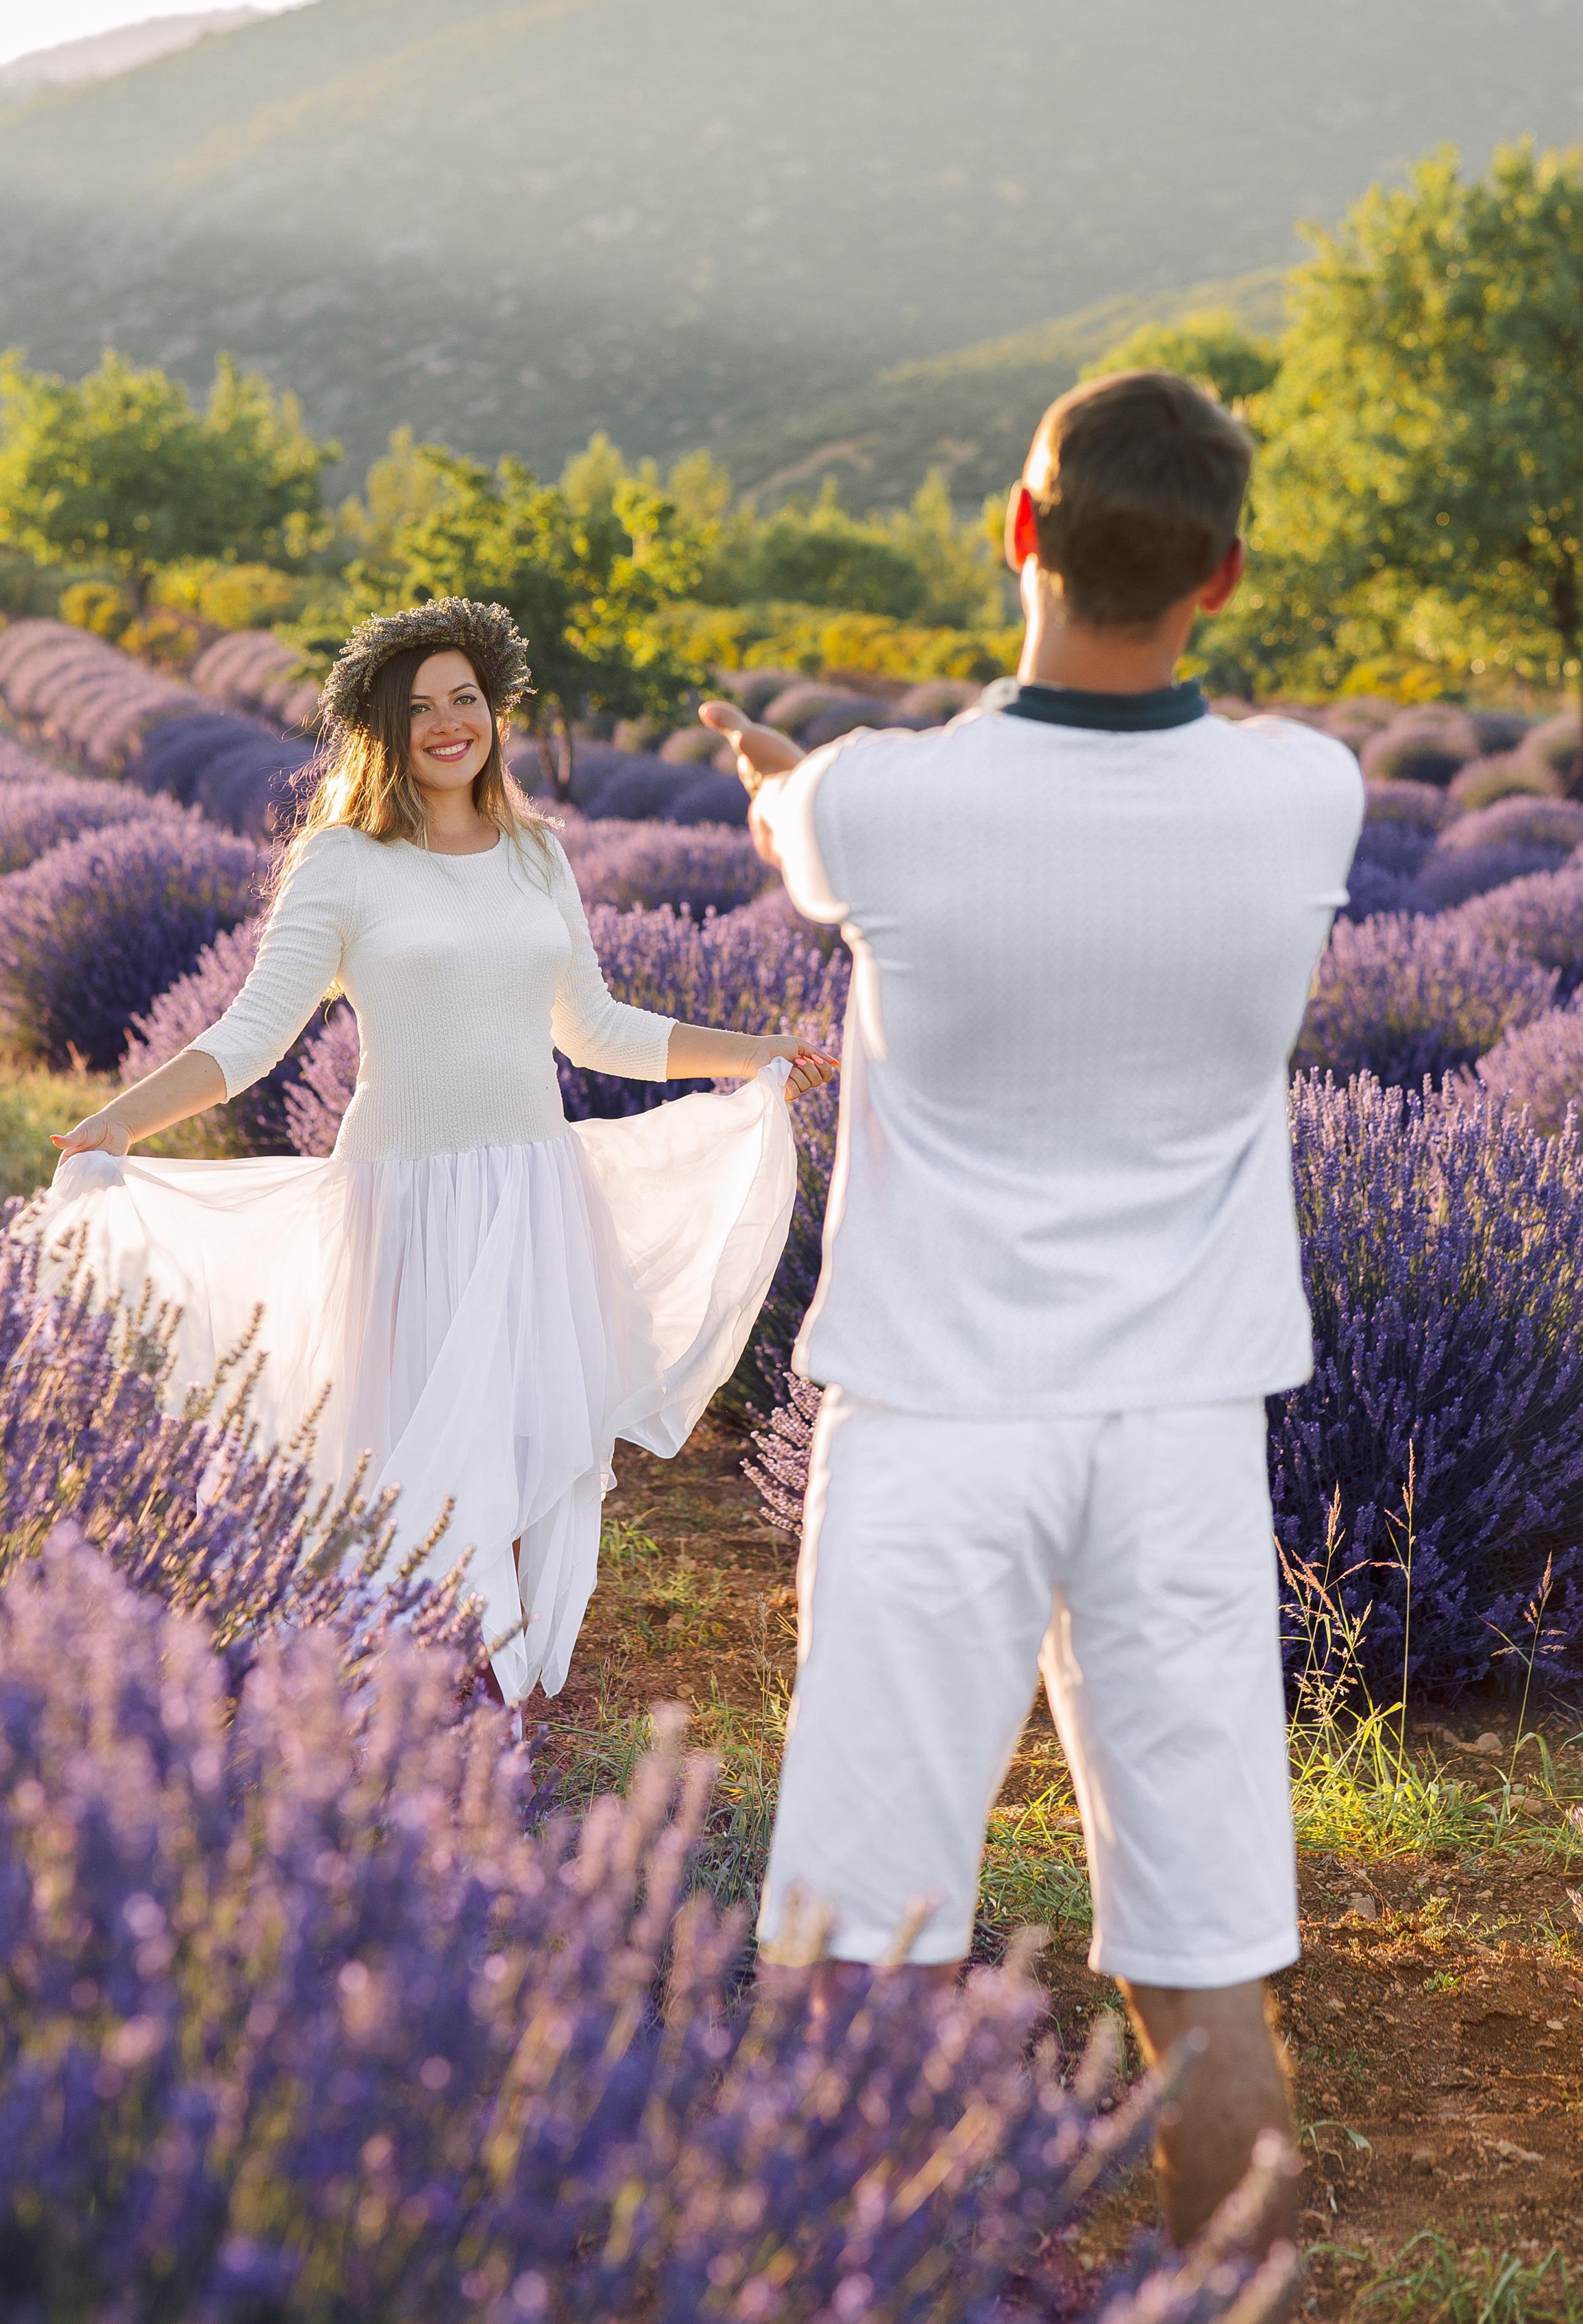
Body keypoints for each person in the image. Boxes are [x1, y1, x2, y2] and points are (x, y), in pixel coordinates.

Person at [702, 369, 1364, 2258]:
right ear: (1223, 575)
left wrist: (772, 783)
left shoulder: (882, 810)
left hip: (934, 1423)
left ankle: (862, 2288)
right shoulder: (1305, 791)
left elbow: (800, 829)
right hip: (1178, 1434)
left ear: (1019, 532)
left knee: (865, 1936)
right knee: (1204, 1956)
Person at [45, 597, 833, 1704]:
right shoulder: (342, 863)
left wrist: (746, 1051)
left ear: (494, 710)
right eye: (421, 708)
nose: (450, 723)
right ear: (382, 727)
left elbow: (594, 1028)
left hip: (530, 1189)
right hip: (400, 1198)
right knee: (402, 1462)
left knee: (515, 1450)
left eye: (466, 698)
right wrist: (124, 1118)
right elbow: (254, 1032)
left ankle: (489, 1713)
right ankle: (392, 1699)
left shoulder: (536, 854)